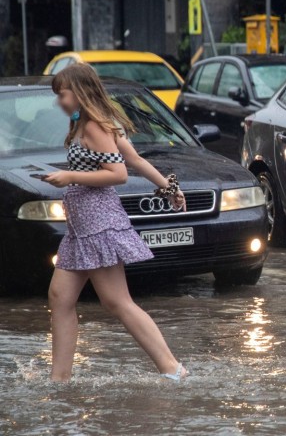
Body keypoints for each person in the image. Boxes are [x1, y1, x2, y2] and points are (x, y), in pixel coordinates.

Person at [44, 63, 188, 381]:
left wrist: (69, 176)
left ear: (79, 93)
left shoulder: (95, 126)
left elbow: (119, 173)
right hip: (81, 227)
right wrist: (169, 189)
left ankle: (173, 369)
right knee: (60, 297)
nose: (59, 101)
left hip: (98, 222)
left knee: (117, 301)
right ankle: (59, 379)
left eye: (62, 94)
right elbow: (135, 159)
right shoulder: (90, 122)